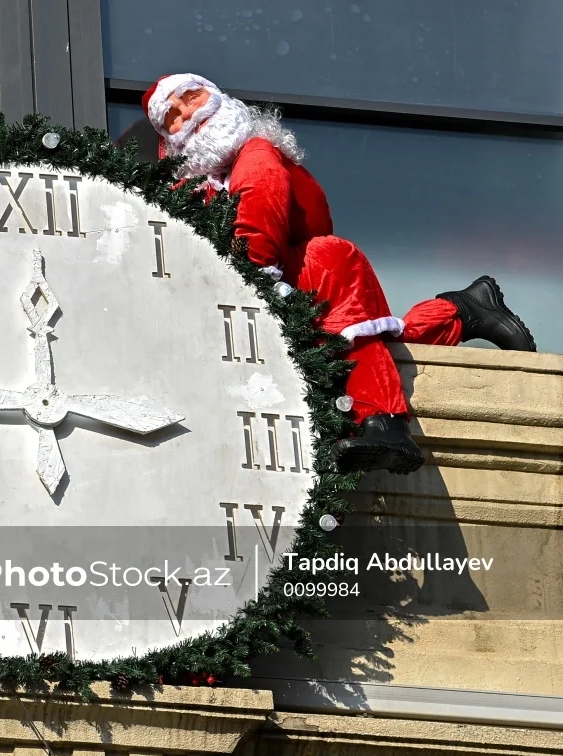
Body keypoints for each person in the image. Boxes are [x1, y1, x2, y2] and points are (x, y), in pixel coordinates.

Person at [140, 73, 537, 475]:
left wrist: (248, 281)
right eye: (172, 116)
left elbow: (257, 225)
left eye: (191, 97)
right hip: (293, 280)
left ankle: (383, 423)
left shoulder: (255, 156)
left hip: (313, 271)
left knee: (353, 336)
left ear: (217, 97)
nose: (188, 114)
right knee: (380, 339)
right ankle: (463, 309)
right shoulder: (191, 188)